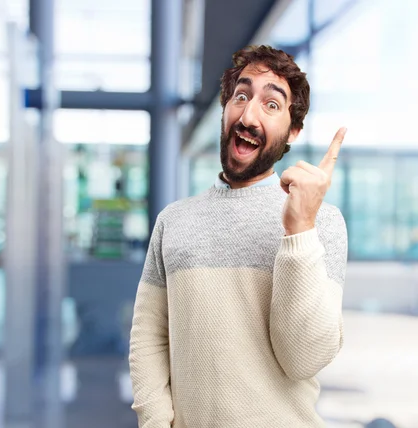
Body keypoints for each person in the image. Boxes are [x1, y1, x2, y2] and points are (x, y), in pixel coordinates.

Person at [129, 45, 348, 427]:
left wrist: (299, 231)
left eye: (272, 105)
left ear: (293, 131)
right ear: (225, 108)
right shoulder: (173, 221)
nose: (248, 115)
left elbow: (304, 358)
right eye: (241, 96)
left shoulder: (321, 223)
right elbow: (149, 337)